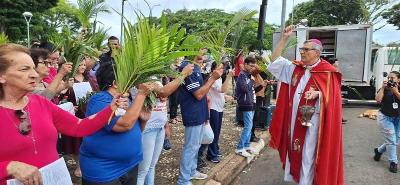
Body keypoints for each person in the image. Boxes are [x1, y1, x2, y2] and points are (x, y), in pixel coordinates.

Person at [0, 44, 123, 185]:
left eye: (33, 68)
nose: (34, 74)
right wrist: (9, 167)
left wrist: (111, 108)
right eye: (24, 69)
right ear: (2, 76)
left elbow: (79, 126)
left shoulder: (41, 103)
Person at [268, 25, 343, 185]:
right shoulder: (296, 68)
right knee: (296, 150)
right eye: (302, 48)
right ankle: (299, 179)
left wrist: (319, 94)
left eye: (306, 49)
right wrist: (284, 38)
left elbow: (335, 100)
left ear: (317, 52)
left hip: (315, 123)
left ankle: (306, 182)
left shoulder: (328, 73)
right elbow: (274, 59)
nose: (302, 51)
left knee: (308, 154)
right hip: (295, 119)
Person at [79, 60, 151, 185]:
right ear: (115, 83)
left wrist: (144, 120)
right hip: (105, 171)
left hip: (130, 165)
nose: (133, 80)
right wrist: (141, 94)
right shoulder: (99, 100)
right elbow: (124, 125)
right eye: (128, 76)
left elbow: (136, 129)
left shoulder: (125, 98)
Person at [137, 65, 194, 185]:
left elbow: (161, 102)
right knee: (142, 171)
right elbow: (163, 92)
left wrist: (165, 124)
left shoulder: (156, 77)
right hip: (147, 128)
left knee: (152, 167)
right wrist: (183, 74)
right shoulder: (141, 75)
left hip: (158, 127)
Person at [177, 55, 223, 185]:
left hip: (200, 114)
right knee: (190, 147)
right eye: (201, 50)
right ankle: (183, 180)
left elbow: (202, 93)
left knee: (196, 145)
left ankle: (191, 171)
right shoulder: (188, 68)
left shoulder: (196, 68)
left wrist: (206, 116)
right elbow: (198, 94)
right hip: (193, 114)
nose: (203, 55)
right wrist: (212, 79)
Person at [235, 57, 265, 157]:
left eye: (253, 66)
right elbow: (244, 89)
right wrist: (252, 81)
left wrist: (263, 85)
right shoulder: (242, 75)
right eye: (251, 66)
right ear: (245, 64)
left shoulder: (248, 75)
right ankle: (240, 148)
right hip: (245, 104)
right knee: (247, 126)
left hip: (251, 103)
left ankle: (247, 146)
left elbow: (252, 91)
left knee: (250, 126)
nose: (252, 68)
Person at [204, 62, 233, 163]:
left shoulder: (219, 78)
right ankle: (211, 154)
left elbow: (220, 93)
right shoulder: (212, 79)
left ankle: (215, 149)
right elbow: (222, 89)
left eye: (222, 68)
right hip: (213, 108)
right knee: (214, 132)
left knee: (217, 131)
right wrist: (229, 77)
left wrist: (226, 97)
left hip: (219, 108)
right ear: (213, 70)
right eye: (219, 68)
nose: (222, 70)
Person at [373, 71, 400, 173]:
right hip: (385, 118)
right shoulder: (385, 88)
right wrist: (383, 88)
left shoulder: (397, 88)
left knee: (395, 140)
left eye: (392, 78)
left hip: (398, 118)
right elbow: (378, 100)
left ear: (398, 79)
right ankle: (393, 162)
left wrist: (396, 91)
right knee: (392, 141)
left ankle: (378, 151)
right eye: (389, 77)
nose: (390, 79)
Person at [327, 58, 347, 124]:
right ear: (333, 63)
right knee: (335, 105)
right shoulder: (331, 70)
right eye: (337, 62)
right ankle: (337, 119)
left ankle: (340, 118)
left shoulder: (334, 69)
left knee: (337, 105)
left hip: (336, 89)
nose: (338, 63)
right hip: (332, 91)